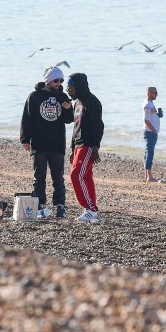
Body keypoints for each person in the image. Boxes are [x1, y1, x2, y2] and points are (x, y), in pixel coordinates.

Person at [20, 66, 74, 218]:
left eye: (61, 81)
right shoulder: (34, 96)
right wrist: (25, 139)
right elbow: (26, 119)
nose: (59, 83)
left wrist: (69, 109)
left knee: (58, 177)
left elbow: (68, 120)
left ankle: (60, 206)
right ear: (49, 80)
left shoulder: (63, 97)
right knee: (39, 177)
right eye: (56, 80)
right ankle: (40, 206)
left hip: (57, 143)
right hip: (39, 143)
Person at [66, 72, 104, 223]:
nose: (68, 90)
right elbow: (76, 127)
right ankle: (89, 210)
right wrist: (72, 148)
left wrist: (95, 147)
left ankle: (92, 210)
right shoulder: (77, 103)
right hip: (78, 146)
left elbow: (99, 126)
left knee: (76, 175)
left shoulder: (92, 102)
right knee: (86, 177)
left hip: (88, 145)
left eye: (70, 87)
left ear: (78, 86)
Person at [143, 87, 161, 183]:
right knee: (150, 153)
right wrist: (154, 130)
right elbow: (146, 120)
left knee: (148, 152)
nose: (156, 94)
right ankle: (149, 176)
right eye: (155, 93)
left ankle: (147, 175)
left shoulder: (150, 103)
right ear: (149, 93)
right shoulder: (147, 104)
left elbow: (151, 116)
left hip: (150, 131)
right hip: (150, 132)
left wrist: (158, 115)